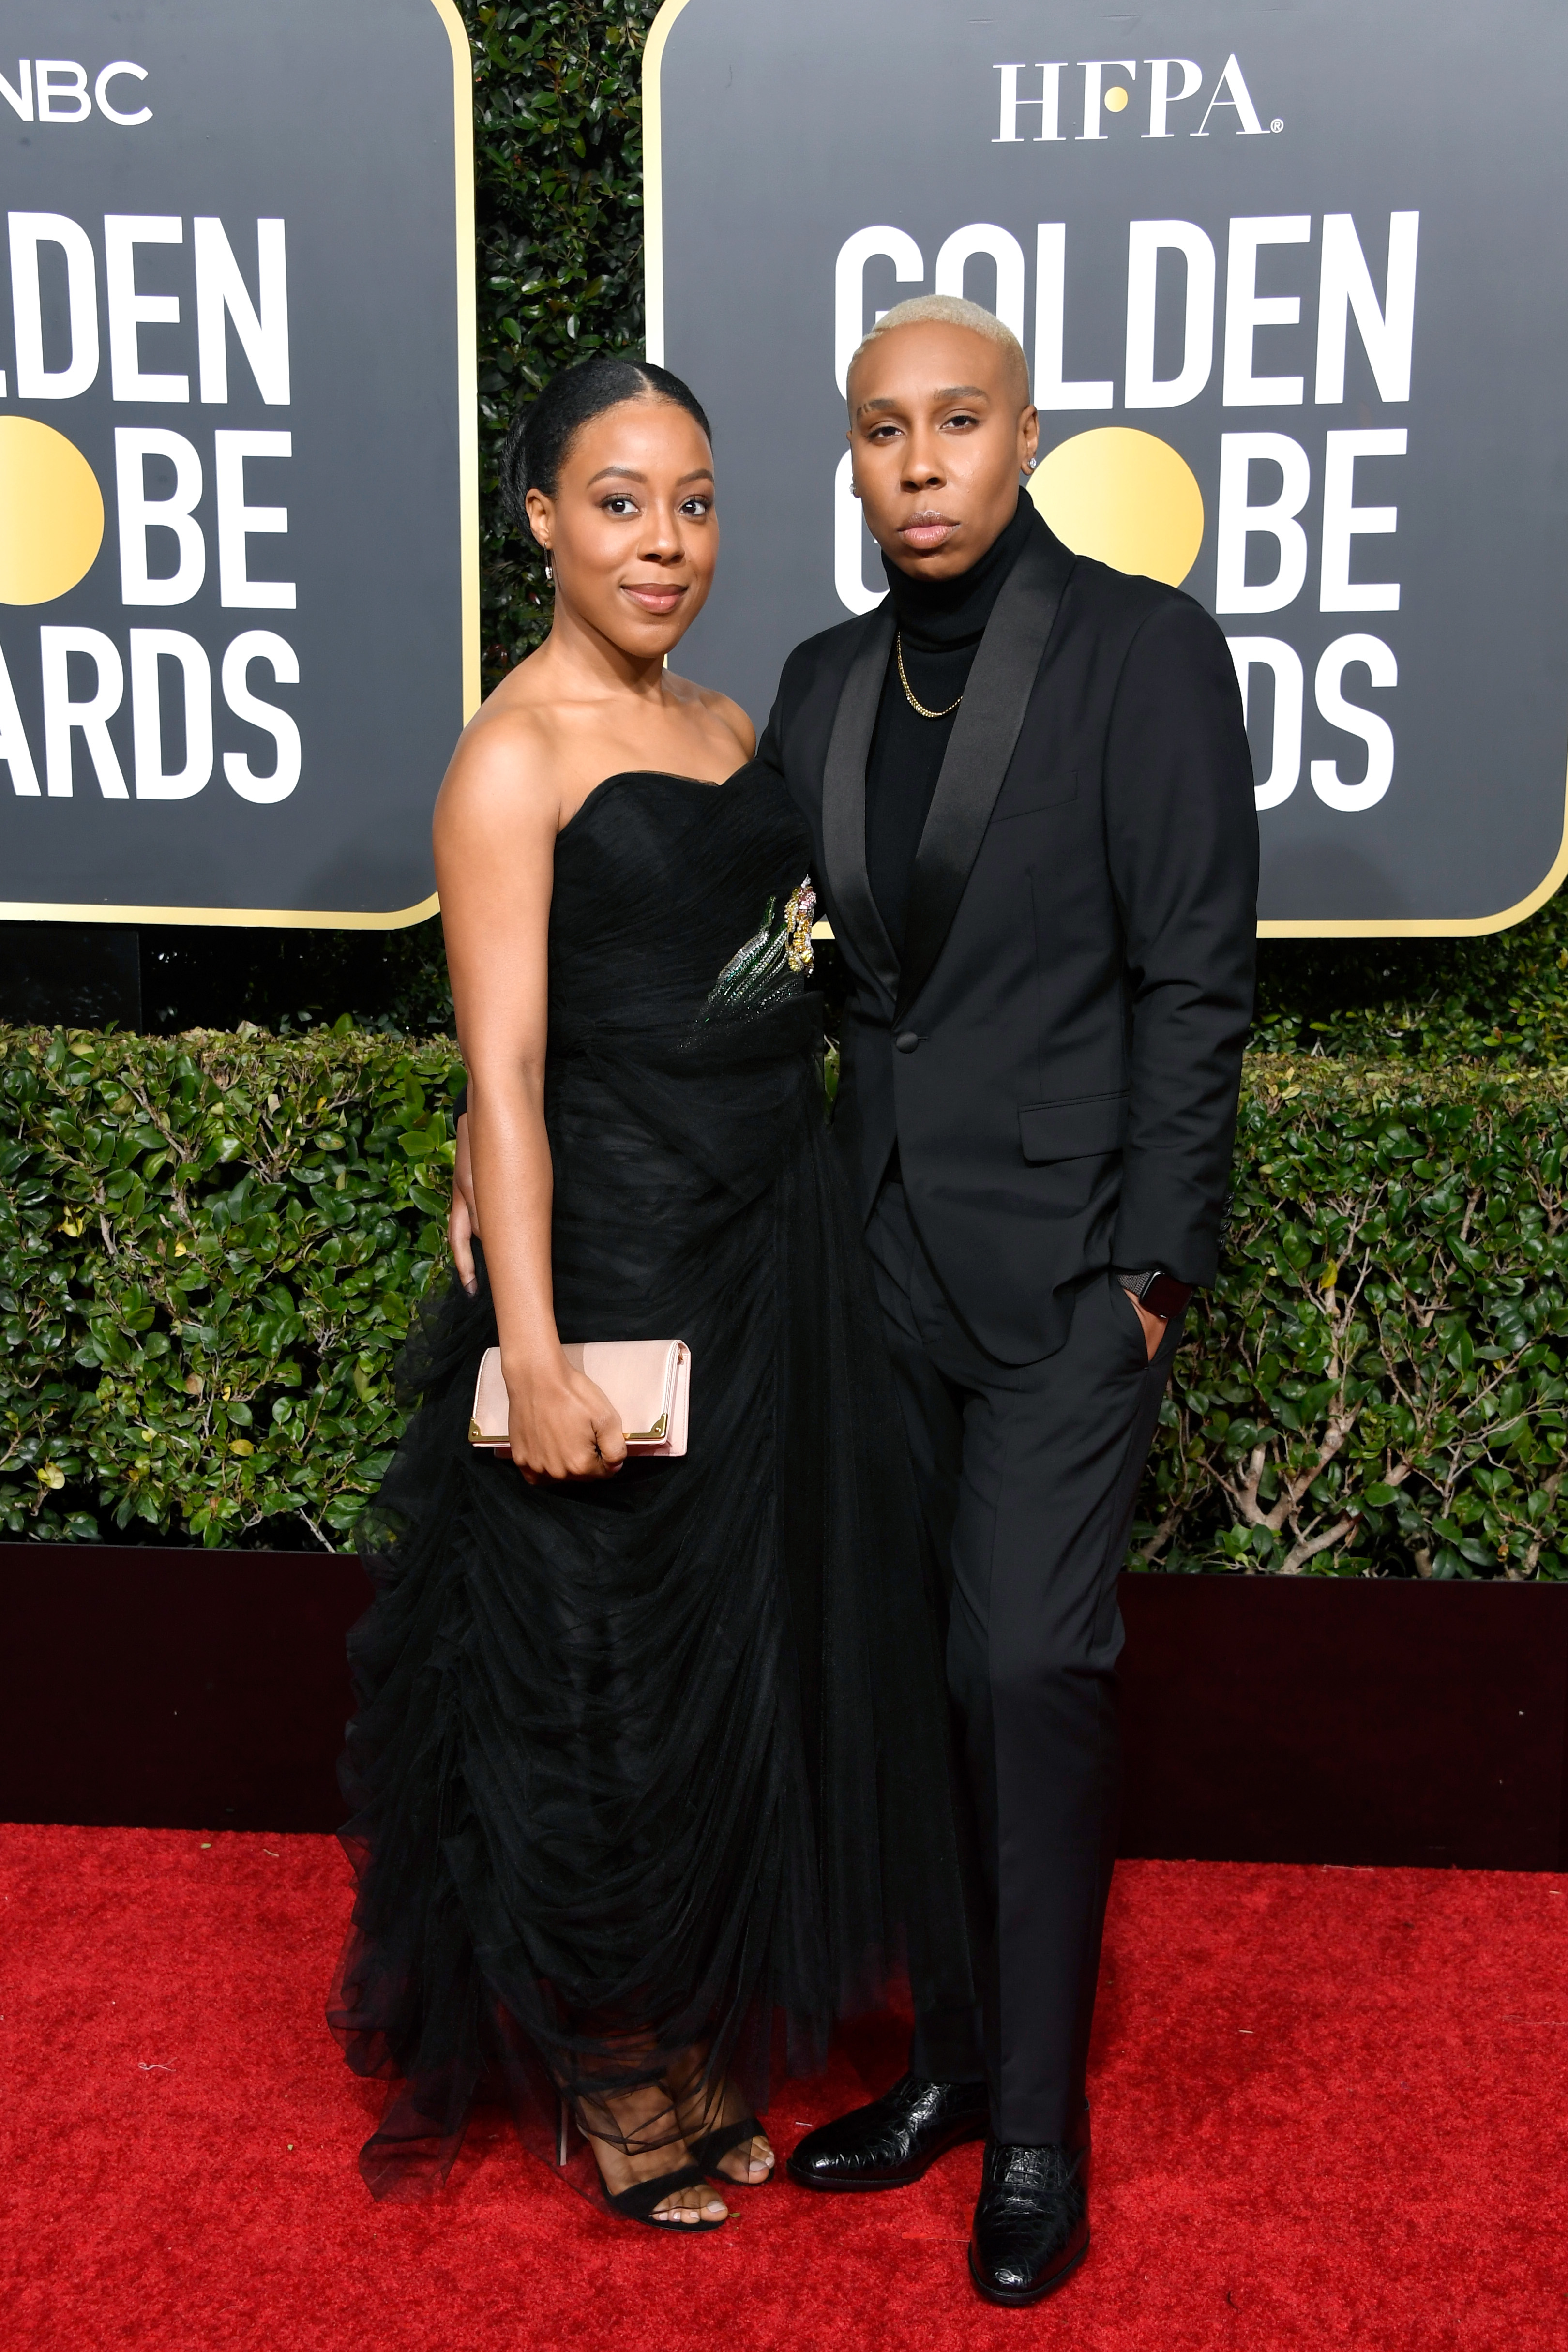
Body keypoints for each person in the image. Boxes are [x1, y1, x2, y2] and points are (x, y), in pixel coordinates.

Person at [330, 354, 972, 2231]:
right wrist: (527, 1348)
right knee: (598, 1669)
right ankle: (613, 2071)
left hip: (771, 1252)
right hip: (609, 1262)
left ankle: (695, 2037)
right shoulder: (511, 753)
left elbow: (773, 966)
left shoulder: (724, 723)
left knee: (735, 1657)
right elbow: (505, 1077)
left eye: (692, 501)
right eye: (619, 502)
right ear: (538, 519)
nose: (664, 540)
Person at [758, 295, 1259, 2304]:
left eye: (957, 422)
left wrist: (1154, 1265)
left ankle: (1039, 2131)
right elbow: (761, 969)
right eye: (883, 432)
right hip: (873, 1261)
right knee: (899, 1683)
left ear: (1024, 431)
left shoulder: (1145, 653)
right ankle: (951, 2066)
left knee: (1024, 1671)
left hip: (1067, 1276)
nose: (920, 463)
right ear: (856, 457)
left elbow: (1197, 977)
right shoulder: (818, 683)